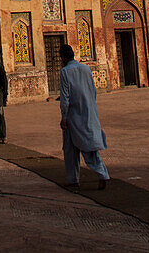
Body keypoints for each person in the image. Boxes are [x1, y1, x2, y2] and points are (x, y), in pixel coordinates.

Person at [59, 44, 109, 190]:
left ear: (63, 57)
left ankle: (75, 179)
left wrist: (64, 116)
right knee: (87, 146)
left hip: (73, 116)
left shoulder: (65, 72)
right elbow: (93, 91)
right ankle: (99, 174)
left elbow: (65, 97)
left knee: (72, 150)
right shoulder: (86, 69)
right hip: (89, 112)